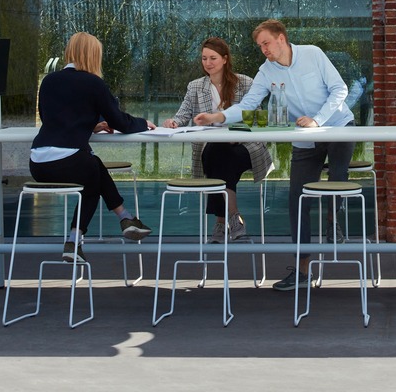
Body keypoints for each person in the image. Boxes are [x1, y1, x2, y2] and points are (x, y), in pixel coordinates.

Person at [195, 19, 354, 292]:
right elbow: (248, 104)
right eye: (259, 46)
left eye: (266, 43)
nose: (263, 50)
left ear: (282, 39)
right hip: (304, 137)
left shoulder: (313, 54)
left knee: (337, 178)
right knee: (297, 199)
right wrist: (218, 116)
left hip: (337, 125)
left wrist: (317, 120)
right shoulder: (265, 71)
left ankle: (333, 222)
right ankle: (303, 272)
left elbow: (340, 90)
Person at [30, 32, 154, 251]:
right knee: (92, 177)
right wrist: (144, 123)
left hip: (38, 163)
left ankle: (125, 217)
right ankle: (74, 240)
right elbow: (120, 122)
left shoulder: (49, 81)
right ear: (93, 55)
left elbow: (55, 119)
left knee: (93, 165)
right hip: (67, 161)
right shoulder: (93, 83)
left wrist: (89, 126)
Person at [164, 37, 272, 242]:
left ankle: (221, 224)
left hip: (245, 147)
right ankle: (234, 219)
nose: (207, 63)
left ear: (225, 59)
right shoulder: (195, 86)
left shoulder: (246, 83)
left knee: (221, 156)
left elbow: (256, 120)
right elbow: (182, 116)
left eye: (213, 58)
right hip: (213, 150)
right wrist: (172, 122)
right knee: (219, 153)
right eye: (204, 58)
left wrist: (234, 136)